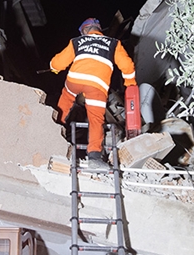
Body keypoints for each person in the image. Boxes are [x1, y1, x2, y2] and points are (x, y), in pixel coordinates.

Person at [50, 18, 136, 168]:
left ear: (84, 30)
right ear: (98, 29)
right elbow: (127, 66)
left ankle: (53, 129)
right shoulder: (114, 43)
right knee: (96, 120)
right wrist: (130, 84)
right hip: (97, 85)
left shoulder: (77, 42)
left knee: (65, 102)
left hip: (75, 79)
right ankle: (95, 157)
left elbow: (58, 62)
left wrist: (54, 68)